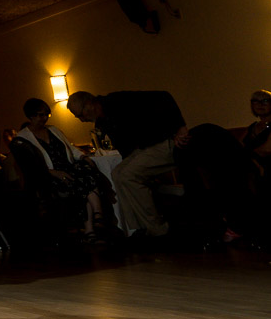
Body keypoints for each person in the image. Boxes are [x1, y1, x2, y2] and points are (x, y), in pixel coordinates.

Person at [66, 89, 187, 243]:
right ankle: (139, 228)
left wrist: (180, 128)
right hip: (143, 150)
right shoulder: (103, 122)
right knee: (117, 173)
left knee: (127, 175)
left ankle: (159, 230)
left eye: (80, 115)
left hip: (162, 142)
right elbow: (125, 149)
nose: (81, 120)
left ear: (89, 104)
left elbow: (163, 96)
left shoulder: (116, 101)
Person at [11, 98, 113, 241]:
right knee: (81, 182)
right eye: (40, 115)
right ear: (31, 116)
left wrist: (83, 157)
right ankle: (95, 219)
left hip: (69, 168)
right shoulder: (23, 137)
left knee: (85, 172)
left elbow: (70, 149)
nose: (44, 118)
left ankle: (93, 223)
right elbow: (31, 166)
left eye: (47, 114)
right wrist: (52, 172)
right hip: (50, 175)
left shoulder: (53, 130)